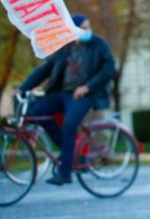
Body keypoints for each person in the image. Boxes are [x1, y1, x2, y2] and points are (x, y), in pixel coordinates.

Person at [18, 13, 115, 185]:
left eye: (88, 27)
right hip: (62, 93)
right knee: (37, 112)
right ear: (74, 29)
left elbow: (109, 69)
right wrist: (23, 87)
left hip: (84, 94)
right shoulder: (66, 47)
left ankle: (65, 173)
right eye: (84, 28)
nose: (88, 30)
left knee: (69, 125)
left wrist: (87, 87)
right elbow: (46, 69)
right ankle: (67, 151)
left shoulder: (99, 44)